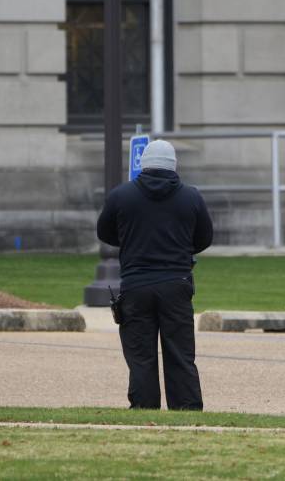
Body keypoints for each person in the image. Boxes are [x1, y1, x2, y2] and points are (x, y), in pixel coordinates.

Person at [96, 139, 213, 410]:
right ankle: (186, 411)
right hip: (177, 283)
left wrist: (131, 241)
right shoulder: (191, 196)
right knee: (180, 354)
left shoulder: (121, 196)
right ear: (174, 166)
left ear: (142, 165)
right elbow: (205, 237)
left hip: (136, 284)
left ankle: (144, 409)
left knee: (140, 356)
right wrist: (182, 248)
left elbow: (104, 232)